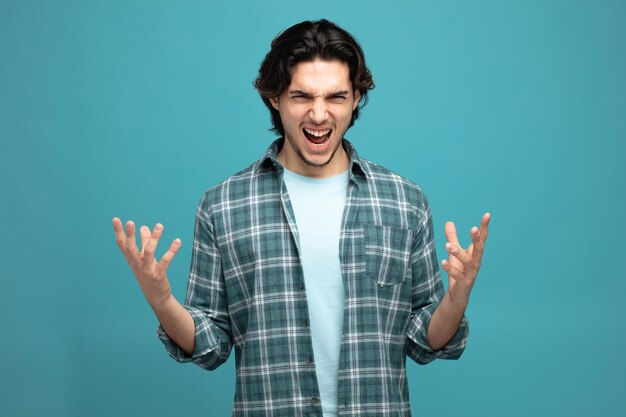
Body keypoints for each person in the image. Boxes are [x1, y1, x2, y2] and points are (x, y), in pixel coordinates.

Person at [112, 19, 490, 417]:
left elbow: (422, 340)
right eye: (302, 96)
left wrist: (456, 298)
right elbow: (211, 344)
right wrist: (162, 301)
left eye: (336, 97)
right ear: (274, 98)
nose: (319, 114)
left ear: (357, 98)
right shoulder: (222, 204)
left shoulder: (404, 201)